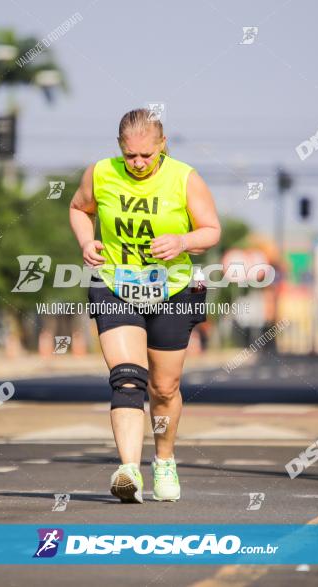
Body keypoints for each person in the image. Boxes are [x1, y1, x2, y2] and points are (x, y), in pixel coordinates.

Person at [69, 108, 220, 503]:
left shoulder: (184, 178)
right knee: (127, 377)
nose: (136, 163)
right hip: (115, 285)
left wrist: (183, 242)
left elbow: (211, 230)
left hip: (172, 292)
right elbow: (77, 208)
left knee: (164, 387)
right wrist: (87, 242)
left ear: (162, 146)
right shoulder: (101, 173)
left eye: (145, 156)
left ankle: (164, 460)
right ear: (120, 147)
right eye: (129, 154)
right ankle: (129, 471)